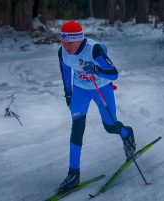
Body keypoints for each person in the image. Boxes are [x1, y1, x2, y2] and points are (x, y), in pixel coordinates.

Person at [57, 21, 136, 194]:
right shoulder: (62, 52)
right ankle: (73, 174)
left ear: (78, 40)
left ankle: (127, 133)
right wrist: (68, 94)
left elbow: (114, 74)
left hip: (101, 88)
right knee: (77, 128)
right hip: (80, 90)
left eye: (69, 42)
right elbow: (65, 72)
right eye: (62, 41)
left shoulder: (95, 50)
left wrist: (96, 69)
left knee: (110, 126)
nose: (65, 45)